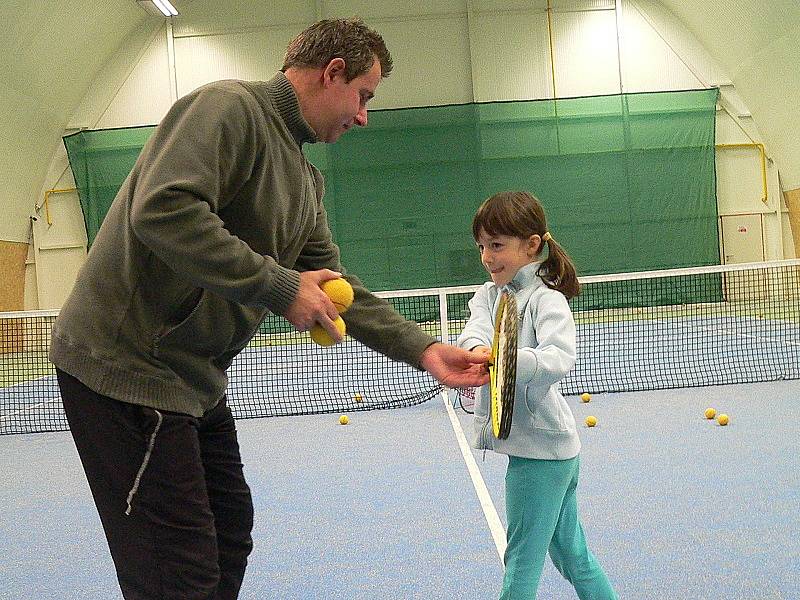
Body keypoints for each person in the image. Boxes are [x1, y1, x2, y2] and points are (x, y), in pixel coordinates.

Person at [49, 18, 488, 600]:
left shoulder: (305, 180)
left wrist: (424, 349)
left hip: (194, 382)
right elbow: (163, 210)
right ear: (332, 73)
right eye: (363, 96)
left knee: (230, 535)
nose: (363, 116)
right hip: (128, 372)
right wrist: (282, 287)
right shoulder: (226, 109)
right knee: (177, 572)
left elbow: (338, 286)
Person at [457, 191, 617, 599]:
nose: (487, 257)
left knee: (522, 561)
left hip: (540, 457)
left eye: (497, 245)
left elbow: (557, 356)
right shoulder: (490, 296)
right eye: (481, 246)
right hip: (552, 450)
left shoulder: (546, 299)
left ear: (531, 246)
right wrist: (478, 352)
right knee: (573, 557)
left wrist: (505, 359)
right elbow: (476, 330)